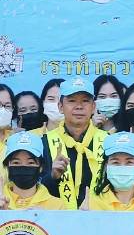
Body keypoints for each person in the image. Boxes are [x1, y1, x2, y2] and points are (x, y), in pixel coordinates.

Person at [43, 77, 104, 209]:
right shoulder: (44, 142)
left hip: (101, 217)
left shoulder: (107, 141)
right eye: (71, 101)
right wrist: (52, 177)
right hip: (56, 217)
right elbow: (35, 189)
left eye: (85, 101)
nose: (79, 107)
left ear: (93, 107)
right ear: (60, 107)